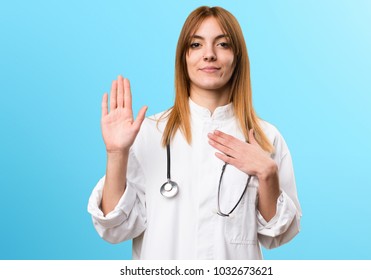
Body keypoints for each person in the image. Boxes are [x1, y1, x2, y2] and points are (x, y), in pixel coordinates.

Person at [88, 6, 302, 260]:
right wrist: (116, 153)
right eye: (196, 45)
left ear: (237, 57)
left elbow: (277, 234)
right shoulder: (148, 134)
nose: (209, 55)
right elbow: (115, 228)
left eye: (222, 44)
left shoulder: (266, 137)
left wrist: (267, 175)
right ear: (183, 58)